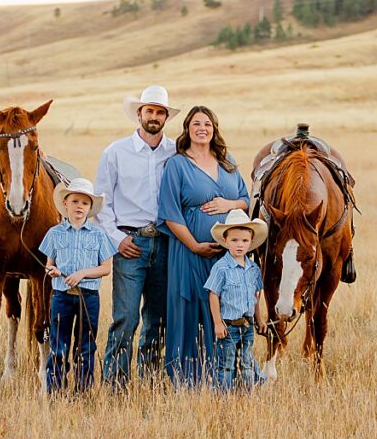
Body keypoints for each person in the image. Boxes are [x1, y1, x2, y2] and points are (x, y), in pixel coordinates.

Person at [156, 105, 249, 386]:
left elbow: (245, 199)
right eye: (196, 124)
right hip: (189, 253)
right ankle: (188, 378)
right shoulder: (177, 164)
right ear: (187, 129)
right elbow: (169, 212)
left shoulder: (227, 161)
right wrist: (195, 245)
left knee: (226, 307)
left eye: (207, 124)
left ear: (214, 129)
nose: (202, 129)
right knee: (191, 307)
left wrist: (228, 204)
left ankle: (225, 376)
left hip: (226, 255)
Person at [95, 86, 178, 390]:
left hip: (166, 243)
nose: (154, 117)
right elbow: (102, 205)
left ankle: (151, 380)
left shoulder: (175, 152)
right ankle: (116, 385)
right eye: (149, 111)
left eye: (160, 112)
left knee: (158, 318)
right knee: (126, 317)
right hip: (130, 243)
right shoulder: (115, 152)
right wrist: (117, 240)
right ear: (139, 114)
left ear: (166, 117)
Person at [38, 178, 117, 393]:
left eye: (84, 203)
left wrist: (82, 273)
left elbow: (106, 268)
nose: (79, 206)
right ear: (65, 204)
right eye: (75, 201)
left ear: (90, 208)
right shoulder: (55, 233)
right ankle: (55, 391)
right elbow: (48, 265)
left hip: (88, 296)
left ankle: (83, 391)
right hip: (61, 296)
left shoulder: (99, 235)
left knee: (86, 346)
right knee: (58, 345)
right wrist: (52, 271)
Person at [204, 209, 267, 391]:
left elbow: (255, 297)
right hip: (229, 326)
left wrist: (260, 319)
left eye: (244, 241)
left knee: (247, 362)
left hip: (247, 326)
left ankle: (247, 395)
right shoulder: (221, 268)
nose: (240, 245)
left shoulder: (253, 268)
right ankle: (223, 397)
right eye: (234, 240)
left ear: (251, 243)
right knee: (226, 363)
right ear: (225, 241)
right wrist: (218, 323)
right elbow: (213, 294)